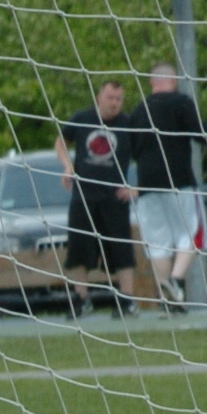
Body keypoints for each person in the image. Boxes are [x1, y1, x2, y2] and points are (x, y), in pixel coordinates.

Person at [122, 62, 207, 309]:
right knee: (192, 235)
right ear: (174, 81)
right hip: (178, 182)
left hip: (147, 186)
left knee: (158, 244)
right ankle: (176, 280)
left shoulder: (138, 111)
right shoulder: (180, 102)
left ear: (151, 82)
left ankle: (167, 298)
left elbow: (132, 151)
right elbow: (203, 135)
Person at [56, 80, 138, 309]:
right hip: (84, 196)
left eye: (118, 99)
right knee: (79, 249)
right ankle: (81, 299)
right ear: (99, 97)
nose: (114, 103)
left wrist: (136, 188)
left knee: (121, 250)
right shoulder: (82, 118)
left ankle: (127, 300)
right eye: (110, 98)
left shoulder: (128, 125)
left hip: (115, 198)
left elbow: (148, 155)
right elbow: (61, 142)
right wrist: (68, 166)